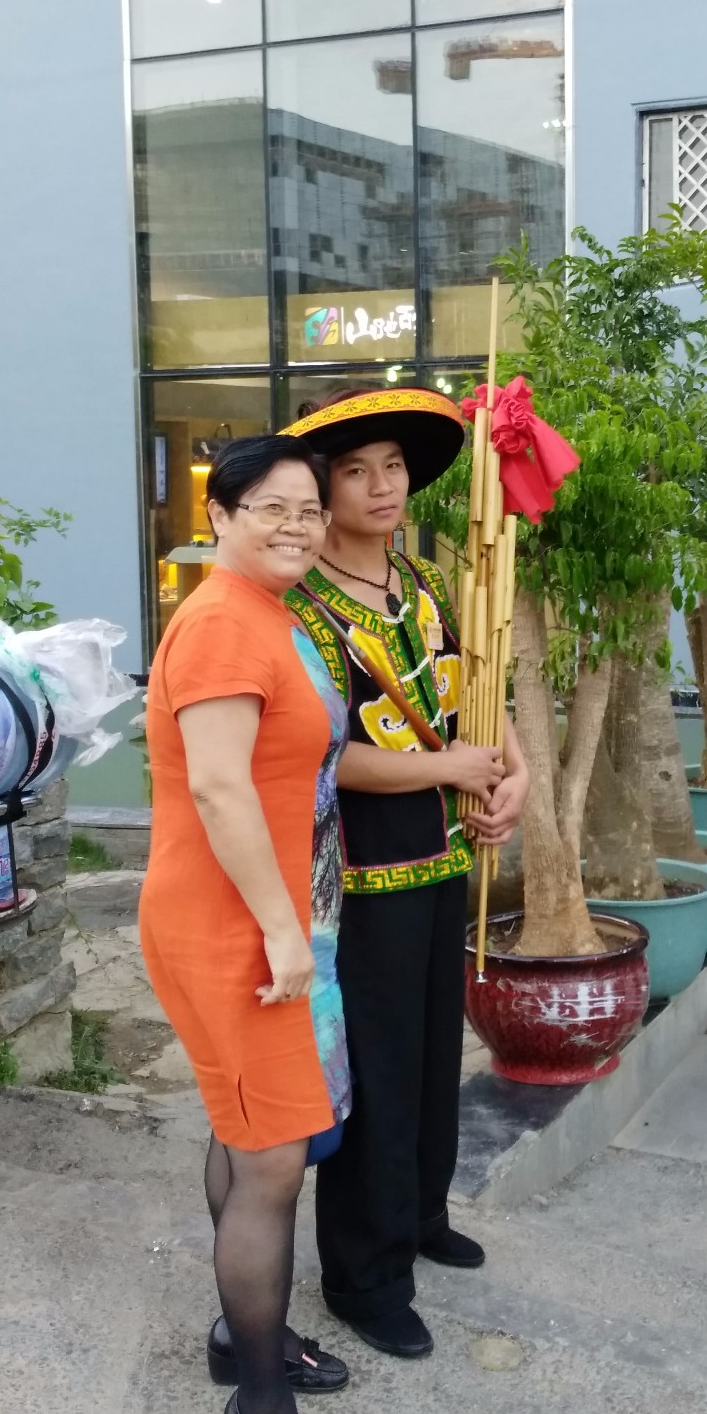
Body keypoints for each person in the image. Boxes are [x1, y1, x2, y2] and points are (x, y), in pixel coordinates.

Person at [283, 388, 530, 1360]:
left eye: (391, 465)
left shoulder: (425, 581)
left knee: (433, 1053)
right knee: (377, 1071)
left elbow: (482, 686)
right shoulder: (304, 605)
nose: (381, 485)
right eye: (356, 470)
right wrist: (449, 768)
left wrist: (511, 773)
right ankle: (365, 1274)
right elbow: (323, 752)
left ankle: (423, 1212)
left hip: (446, 858)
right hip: (362, 874)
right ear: (323, 488)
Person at [139, 434, 351, 1414]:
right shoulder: (223, 621)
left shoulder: (268, 611)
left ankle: (244, 1334)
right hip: (234, 928)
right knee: (274, 1160)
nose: (297, 526)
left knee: (245, 1130)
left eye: (309, 509)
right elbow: (221, 789)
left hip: (257, 919)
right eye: (271, 506)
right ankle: (260, 1409)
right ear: (219, 515)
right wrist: (281, 929)